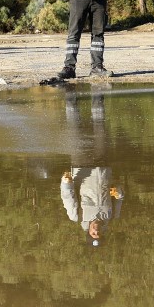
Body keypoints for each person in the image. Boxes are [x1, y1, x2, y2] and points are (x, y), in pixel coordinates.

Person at [59, 90, 123, 246]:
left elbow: (69, 198)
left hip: (81, 166)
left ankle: (69, 92)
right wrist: (118, 191)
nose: (97, 231)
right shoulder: (112, 215)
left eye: (94, 234)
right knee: (99, 125)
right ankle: (97, 91)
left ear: (89, 232)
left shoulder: (77, 217)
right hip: (102, 166)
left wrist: (66, 183)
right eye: (99, 234)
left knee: (75, 126)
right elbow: (121, 197)